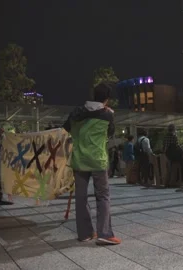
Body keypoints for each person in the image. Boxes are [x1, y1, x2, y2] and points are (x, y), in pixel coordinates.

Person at [62, 82, 121, 245]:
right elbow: (110, 133)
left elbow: (65, 129)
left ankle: (85, 233)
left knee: (81, 197)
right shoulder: (108, 114)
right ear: (107, 99)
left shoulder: (76, 113)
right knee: (102, 196)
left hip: (79, 160)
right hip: (97, 160)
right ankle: (104, 233)